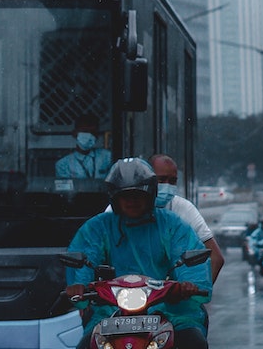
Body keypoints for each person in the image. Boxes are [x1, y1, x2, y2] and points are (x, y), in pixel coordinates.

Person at [66, 158, 212, 349]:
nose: (131, 201)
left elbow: (189, 256)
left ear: (150, 194)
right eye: (125, 195)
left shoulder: (171, 225)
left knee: (194, 343)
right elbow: (85, 257)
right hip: (112, 311)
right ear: (115, 198)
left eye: (138, 195)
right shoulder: (98, 227)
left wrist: (189, 285)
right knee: (86, 346)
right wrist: (79, 286)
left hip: (169, 310)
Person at [148, 154, 225, 283]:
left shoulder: (183, 210)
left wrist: (194, 297)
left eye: (172, 181)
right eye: (161, 180)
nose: (167, 186)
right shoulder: (116, 211)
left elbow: (215, 257)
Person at [54, 114, 111, 179]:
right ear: (74, 133)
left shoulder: (107, 157)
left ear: (97, 136)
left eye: (93, 132)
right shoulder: (63, 164)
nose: (89, 136)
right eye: (85, 131)